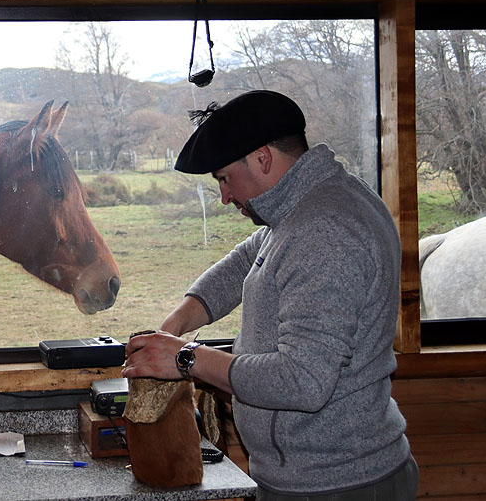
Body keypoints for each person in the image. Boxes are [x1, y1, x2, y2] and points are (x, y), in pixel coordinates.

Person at [122, 90, 418, 500]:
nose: (224, 196)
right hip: (315, 477)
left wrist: (187, 359)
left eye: (224, 178)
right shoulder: (305, 207)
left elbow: (302, 381)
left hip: (337, 484)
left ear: (262, 158)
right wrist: (176, 325)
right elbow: (250, 258)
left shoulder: (325, 229)